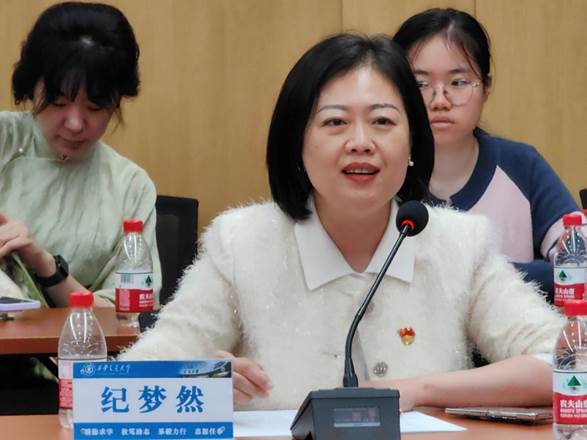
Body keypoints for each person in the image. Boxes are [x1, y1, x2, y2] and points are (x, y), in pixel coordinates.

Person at [122, 34, 562, 412]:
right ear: (297, 143)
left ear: (413, 141)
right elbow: (134, 376)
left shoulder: (461, 244)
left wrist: (419, 390)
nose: (360, 142)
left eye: (382, 121)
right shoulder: (241, 244)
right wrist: (200, 378)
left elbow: (568, 363)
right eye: (335, 122)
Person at [0, 1, 161, 414]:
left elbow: (126, 321)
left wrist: (45, 266)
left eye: (94, 107)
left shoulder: (130, 187)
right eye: (58, 102)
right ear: (32, 87)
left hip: (68, 387)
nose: (75, 123)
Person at [392, 8, 578, 301]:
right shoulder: (382, 173)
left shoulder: (521, 165)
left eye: (457, 83)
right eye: (420, 84)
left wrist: (482, 275)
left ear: (486, 88)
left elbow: (578, 264)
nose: (439, 101)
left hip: (516, 329)